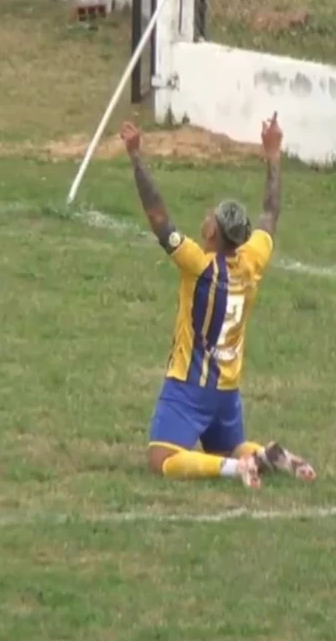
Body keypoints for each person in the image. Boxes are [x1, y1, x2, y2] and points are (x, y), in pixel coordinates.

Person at [120, 112, 316, 489]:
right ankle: (262, 455)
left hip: (190, 386)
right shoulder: (252, 259)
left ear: (213, 235)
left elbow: (159, 217)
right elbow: (271, 212)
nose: (205, 218)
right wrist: (273, 155)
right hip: (227, 390)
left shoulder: (197, 264)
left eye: (210, 219)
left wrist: (136, 159)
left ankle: (237, 469)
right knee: (227, 446)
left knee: (161, 459)